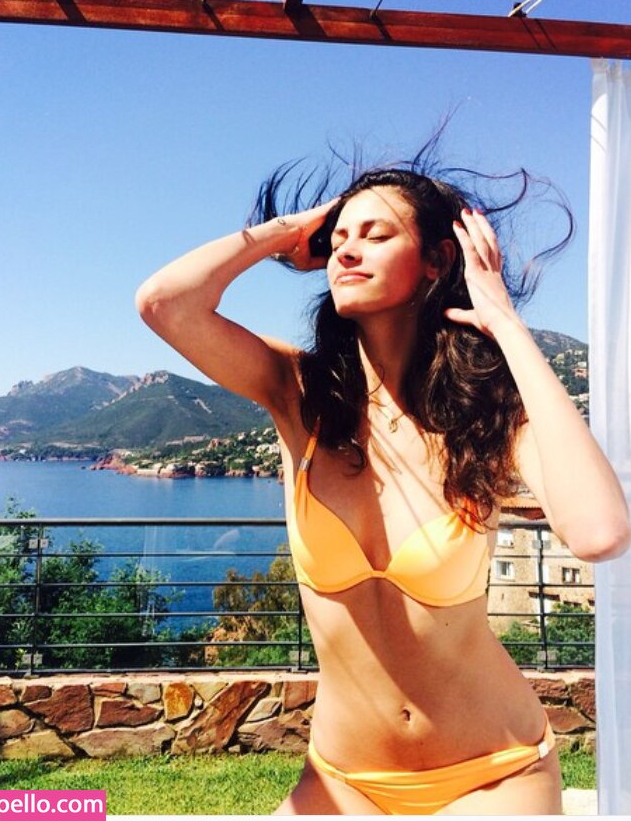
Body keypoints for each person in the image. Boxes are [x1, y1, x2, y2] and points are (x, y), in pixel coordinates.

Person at [135, 146, 630, 815]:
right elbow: (164, 303)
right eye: (338, 239)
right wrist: (293, 230)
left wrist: (506, 324)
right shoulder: (299, 394)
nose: (347, 249)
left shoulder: (487, 415)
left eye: (375, 234)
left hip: (494, 773)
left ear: (438, 260)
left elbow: (600, 532)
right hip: (342, 782)